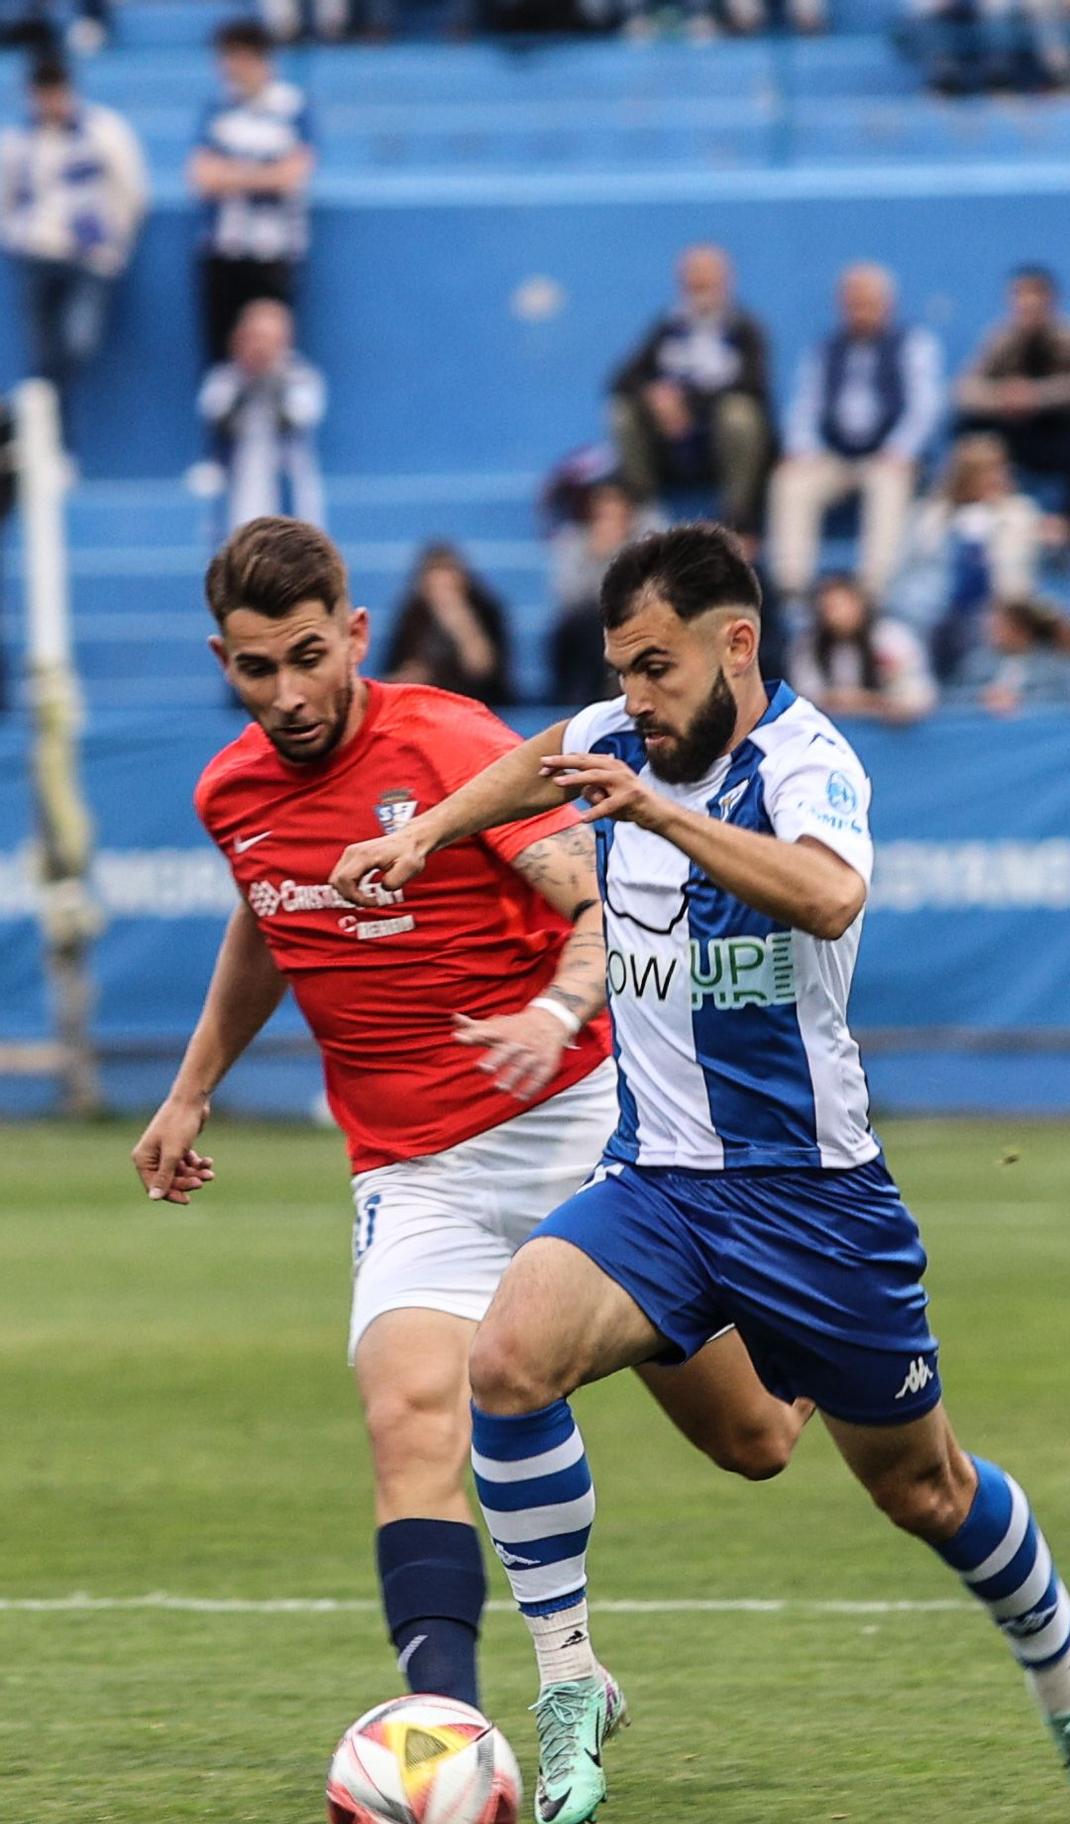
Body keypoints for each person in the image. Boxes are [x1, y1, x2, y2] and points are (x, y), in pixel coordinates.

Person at [331, 522, 1070, 1824]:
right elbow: (534, 761)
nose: (635, 700)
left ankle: (1063, 1664)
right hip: (657, 1187)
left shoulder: (806, 766)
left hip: (817, 1207)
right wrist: (424, 836)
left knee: (921, 1488)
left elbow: (825, 900)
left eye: (655, 669)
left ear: (736, 645)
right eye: (621, 673)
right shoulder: (618, 737)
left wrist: (657, 815)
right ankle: (571, 1679)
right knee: (508, 1360)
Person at [132, 516, 806, 1723]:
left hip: (578, 1130)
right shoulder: (228, 791)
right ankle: (444, 1731)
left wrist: (554, 1009)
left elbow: (593, 900)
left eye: (304, 656)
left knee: (753, 1438)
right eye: (252, 667)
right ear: (220, 659)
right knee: (409, 1414)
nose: (284, 694)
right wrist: (190, 1087)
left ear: (354, 634)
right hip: (411, 1172)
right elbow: (268, 920)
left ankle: (814, 1309)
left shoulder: (447, 744)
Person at [769, 264, 944, 600]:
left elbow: (924, 407)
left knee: (888, 481)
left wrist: (900, 450)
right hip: (836, 456)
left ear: (887, 304)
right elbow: (805, 406)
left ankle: (874, 587)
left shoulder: (912, 345)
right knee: (791, 481)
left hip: (887, 455)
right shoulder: (826, 349)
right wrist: (802, 449)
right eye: (852, 303)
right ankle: (791, 586)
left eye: (867, 303)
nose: (859, 311)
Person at [0, 54, 147, 445]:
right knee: (43, 359)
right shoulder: (16, 143)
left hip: (88, 258)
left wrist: (113, 245)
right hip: (36, 257)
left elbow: (131, 191)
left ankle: (47, 436)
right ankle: (51, 445)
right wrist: (19, 236)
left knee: (76, 342)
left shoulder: (104, 131)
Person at [609, 245, 776, 540]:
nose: (699, 284)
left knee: (739, 414)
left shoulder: (745, 329)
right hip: (670, 443)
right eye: (692, 277)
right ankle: (643, 505)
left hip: (718, 442)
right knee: (621, 411)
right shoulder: (668, 326)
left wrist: (687, 404)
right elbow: (621, 379)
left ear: (726, 280)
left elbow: (755, 388)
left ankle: (737, 516)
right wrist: (655, 395)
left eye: (707, 277)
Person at [188, 19, 315, 363]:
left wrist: (232, 174)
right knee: (221, 352)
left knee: (271, 349)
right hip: (224, 248)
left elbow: (292, 175)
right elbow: (202, 178)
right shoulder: (217, 109)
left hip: (275, 249)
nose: (228, 67)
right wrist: (262, 173)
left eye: (235, 57)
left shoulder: (292, 107)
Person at [954, 267, 1070, 528]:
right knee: (967, 425)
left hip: (1061, 435)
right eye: (1020, 295)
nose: (1027, 303)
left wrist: (1037, 396)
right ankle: (972, 509)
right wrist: (1004, 397)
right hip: (1016, 434)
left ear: (1051, 300)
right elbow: (964, 390)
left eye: (1035, 295)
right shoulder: (1000, 339)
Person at [890, 432, 1044, 680]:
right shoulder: (929, 515)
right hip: (932, 614)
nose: (997, 477)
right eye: (986, 471)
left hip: (992, 613)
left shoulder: (1019, 513)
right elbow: (906, 573)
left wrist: (993, 523)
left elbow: (1016, 580)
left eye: (1000, 469)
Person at [198, 297, 326, 533]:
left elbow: (293, 420)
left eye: (268, 338)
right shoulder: (225, 380)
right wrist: (247, 379)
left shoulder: (300, 378)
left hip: (286, 493)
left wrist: (272, 376)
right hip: (238, 489)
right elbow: (219, 424)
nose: (261, 346)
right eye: (255, 337)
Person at [548, 480, 661, 706]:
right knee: (579, 624)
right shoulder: (576, 543)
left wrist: (617, 551)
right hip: (589, 619)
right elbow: (569, 594)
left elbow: (652, 586)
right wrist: (598, 555)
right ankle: (578, 698)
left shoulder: (650, 536)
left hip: (639, 616)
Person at [789, 574, 936, 722]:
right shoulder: (808, 645)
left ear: (860, 604)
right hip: (831, 730)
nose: (836, 616)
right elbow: (806, 698)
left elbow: (918, 696)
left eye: (843, 606)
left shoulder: (892, 638)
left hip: (889, 732)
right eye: (829, 608)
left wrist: (867, 701)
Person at [383, 544, 513, 704]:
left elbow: (484, 670)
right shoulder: (413, 615)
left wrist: (459, 620)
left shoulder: (486, 610)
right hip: (425, 703)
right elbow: (392, 672)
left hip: (476, 702)